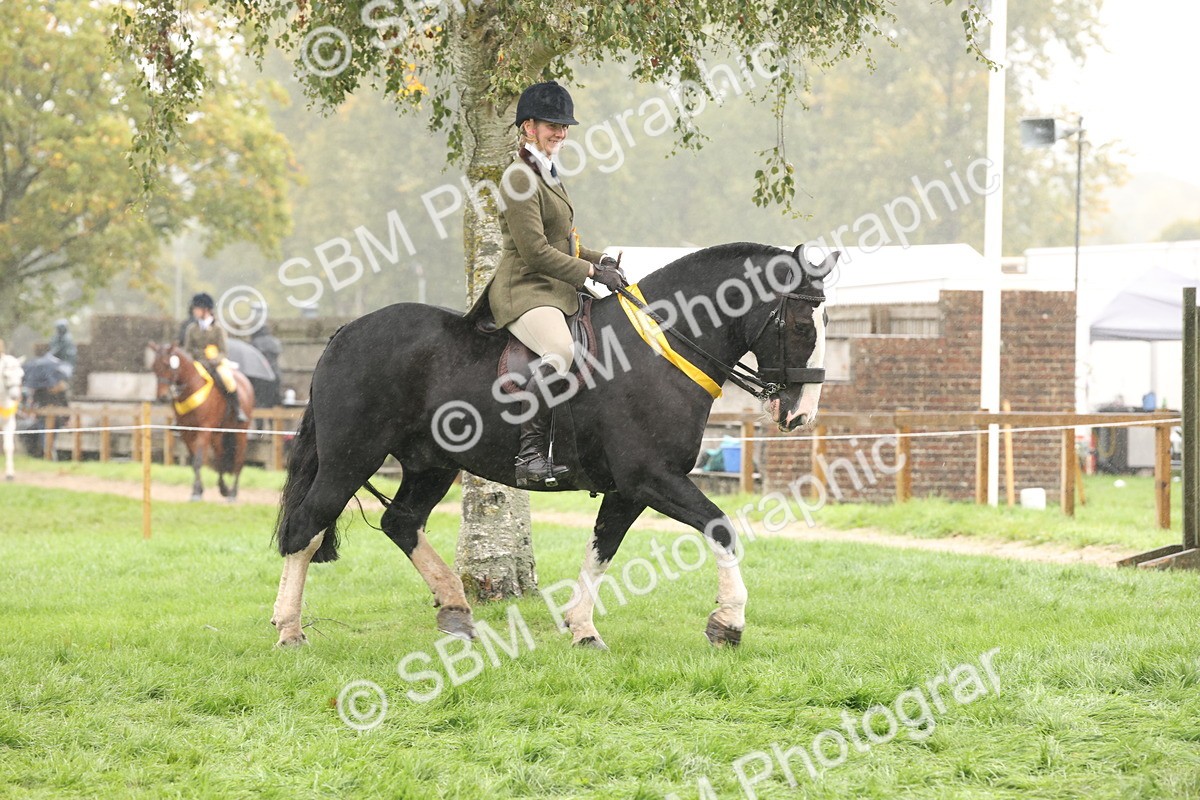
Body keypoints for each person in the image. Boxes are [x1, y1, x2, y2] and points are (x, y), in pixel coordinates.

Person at [487, 80, 626, 487]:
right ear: (528, 126)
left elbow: (564, 242)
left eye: (565, 127)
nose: (561, 133)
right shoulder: (519, 178)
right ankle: (529, 456)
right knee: (561, 350)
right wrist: (589, 274)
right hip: (525, 289)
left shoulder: (547, 171)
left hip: (555, 287)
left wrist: (600, 260)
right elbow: (534, 252)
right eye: (553, 125)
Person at [181, 293, 248, 423]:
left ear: (206, 310)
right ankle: (181, 414)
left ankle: (237, 409)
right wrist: (195, 359)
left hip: (215, 363)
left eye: (196, 309)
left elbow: (223, 351)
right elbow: (187, 350)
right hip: (197, 363)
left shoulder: (218, 329)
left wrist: (214, 360)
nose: (194, 312)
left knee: (228, 380)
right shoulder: (191, 329)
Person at [0, 338, 24, 481]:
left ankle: (10, 468)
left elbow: (16, 377)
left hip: (6, 404)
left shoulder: (9, 361)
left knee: (9, 440)